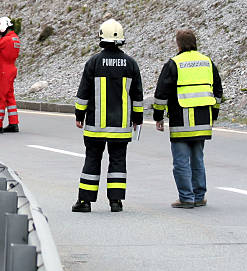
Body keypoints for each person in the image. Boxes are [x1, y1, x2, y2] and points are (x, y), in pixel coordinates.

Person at [72, 19, 144, 213]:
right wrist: (137, 119)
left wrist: (79, 115)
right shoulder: (130, 64)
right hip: (120, 128)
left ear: (101, 37)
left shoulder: (93, 62)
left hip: (96, 126)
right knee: (118, 161)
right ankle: (116, 202)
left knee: (92, 160)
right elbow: (137, 97)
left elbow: (83, 93)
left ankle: (85, 202)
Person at [153, 29, 223, 209]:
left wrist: (158, 116)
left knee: (181, 162)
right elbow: (217, 93)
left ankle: (186, 198)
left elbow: (161, 94)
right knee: (198, 159)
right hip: (202, 120)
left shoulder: (174, 64)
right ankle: (199, 196)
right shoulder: (207, 62)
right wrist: (213, 115)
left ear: (178, 44)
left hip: (181, 121)